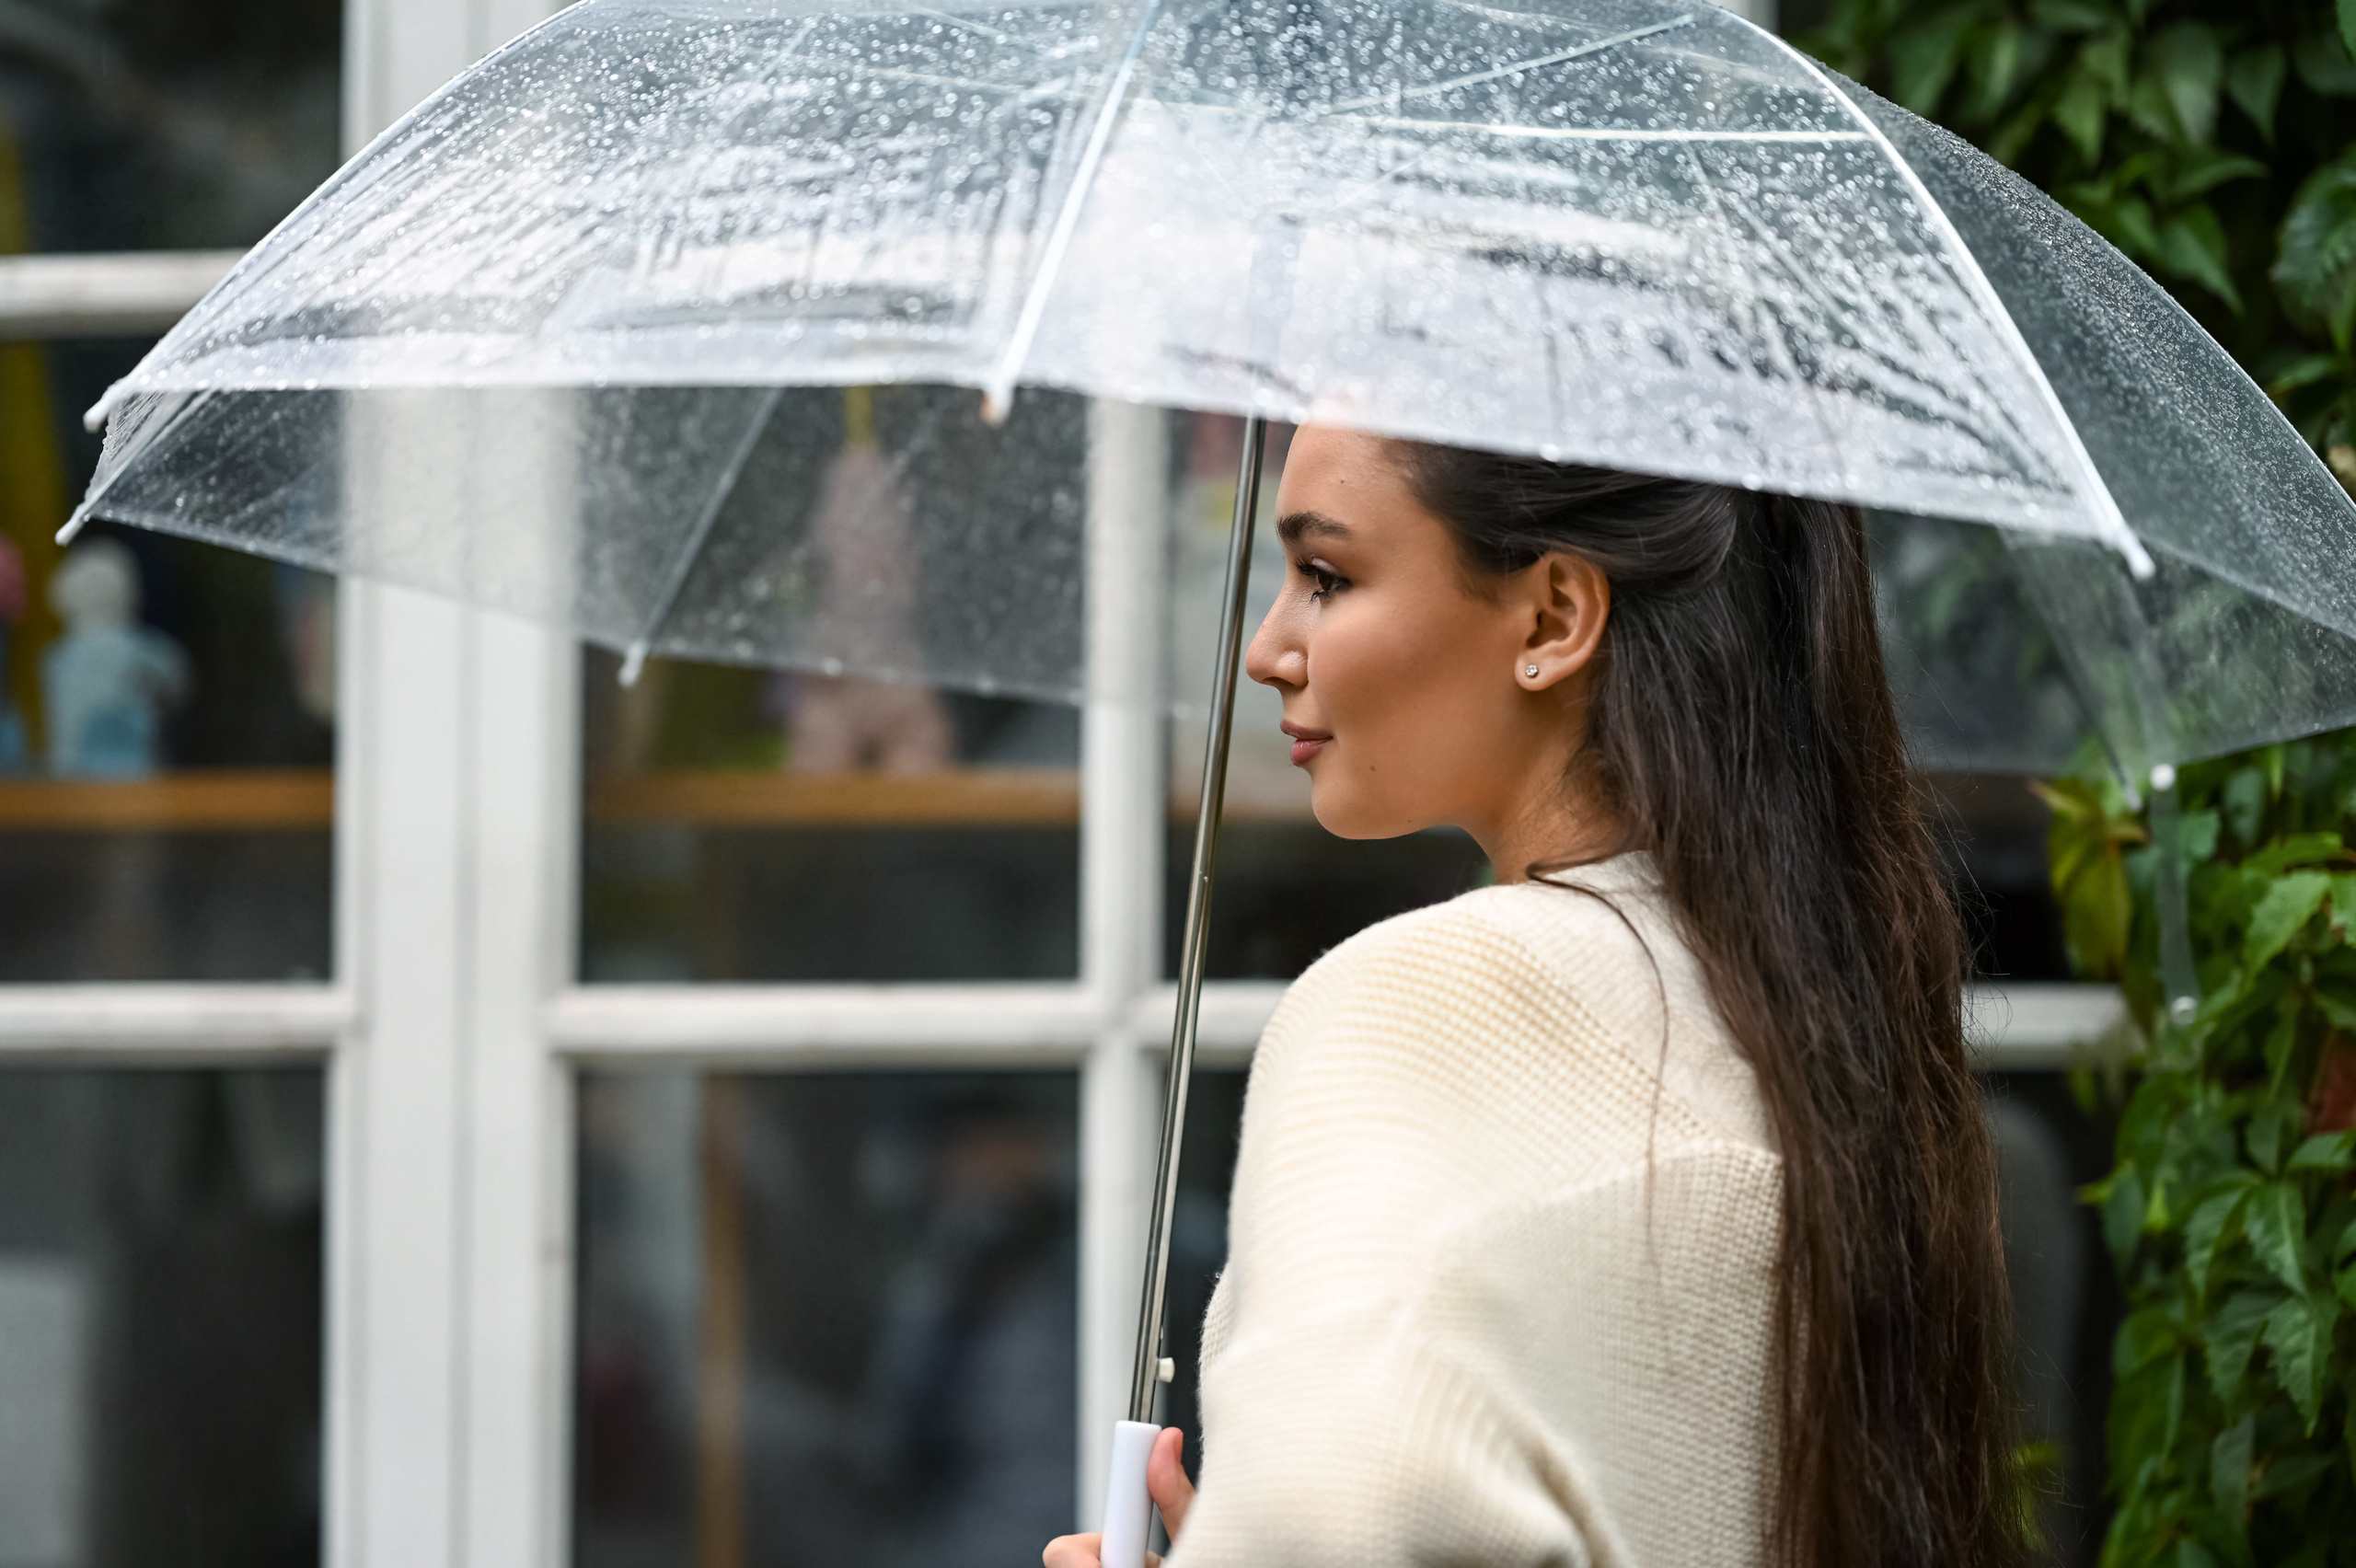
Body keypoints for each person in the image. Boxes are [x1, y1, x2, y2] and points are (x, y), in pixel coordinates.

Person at [1045, 427, 2019, 1568]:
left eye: (1326, 576)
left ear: (1554, 619)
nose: (1266, 650)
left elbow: (1328, 1516)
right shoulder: (1816, 1026)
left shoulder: (1417, 1008)